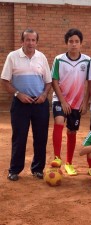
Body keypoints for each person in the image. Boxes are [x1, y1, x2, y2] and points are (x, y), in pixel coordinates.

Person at [1, 28, 52, 181]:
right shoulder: (13, 56)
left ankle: (37, 169)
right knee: (19, 137)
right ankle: (14, 170)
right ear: (22, 41)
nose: (30, 43)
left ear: (36, 42)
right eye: (27, 40)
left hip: (40, 104)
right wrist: (18, 94)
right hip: (20, 104)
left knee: (41, 137)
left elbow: (48, 82)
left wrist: (44, 95)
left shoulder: (41, 57)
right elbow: (4, 80)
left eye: (33, 40)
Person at [50, 28, 90, 176]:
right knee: (59, 121)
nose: (74, 44)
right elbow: (54, 80)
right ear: (66, 43)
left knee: (72, 131)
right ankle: (57, 159)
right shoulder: (59, 59)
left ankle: (69, 163)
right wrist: (63, 101)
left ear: (81, 44)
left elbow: (90, 83)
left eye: (77, 41)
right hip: (60, 100)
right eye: (71, 41)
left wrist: (85, 102)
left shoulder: (87, 61)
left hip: (77, 103)